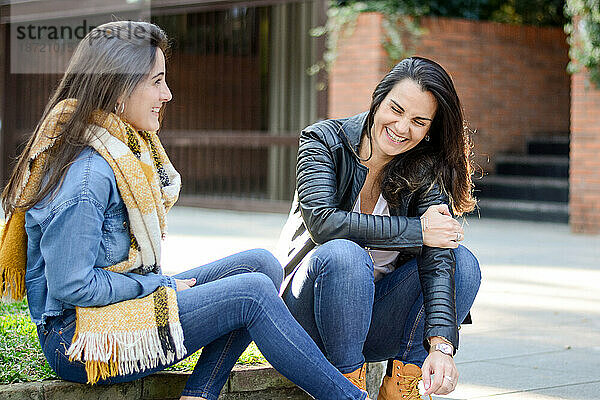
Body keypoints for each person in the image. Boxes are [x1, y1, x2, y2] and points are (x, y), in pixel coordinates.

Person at [0, 21, 371, 400]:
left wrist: (159, 286)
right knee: (253, 293)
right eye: (157, 81)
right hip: (78, 339)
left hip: (115, 310)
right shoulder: (88, 176)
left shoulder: (124, 148)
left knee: (262, 265)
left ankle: (199, 395)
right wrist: (159, 285)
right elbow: (72, 286)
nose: (168, 94)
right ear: (116, 88)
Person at [277, 56, 481, 399]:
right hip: (306, 313)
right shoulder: (324, 140)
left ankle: (403, 385)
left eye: (418, 121)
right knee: (345, 254)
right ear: (378, 99)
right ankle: (346, 387)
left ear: (430, 129)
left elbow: (439, 257)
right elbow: (323, 224)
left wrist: (442, 345)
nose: (402, 128)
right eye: (396, 110)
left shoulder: (424, 167)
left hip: (373, 316)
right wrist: (418, 230)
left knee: (463, 263)